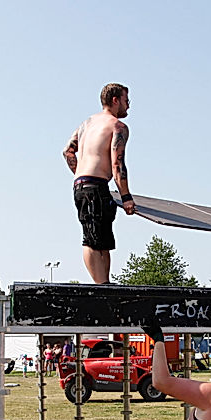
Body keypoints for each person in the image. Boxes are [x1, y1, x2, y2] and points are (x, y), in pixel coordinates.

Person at [63, 83, 135, 284]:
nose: (128, 106)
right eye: (126, 101)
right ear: (115, 100)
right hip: (93, 185)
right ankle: (100, 285)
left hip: (87, 184)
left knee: (103, 239)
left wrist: (79, 173)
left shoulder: (87, 123)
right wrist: (126, 196)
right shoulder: (117, 127)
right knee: (92, 238)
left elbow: (67, 151)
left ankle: (105, 283)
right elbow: (117, 163)